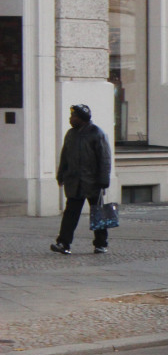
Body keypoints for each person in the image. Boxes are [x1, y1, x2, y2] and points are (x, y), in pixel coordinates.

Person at [51, 104, 112, 254]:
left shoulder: (97, 133)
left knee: (98, 213)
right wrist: (61, 174)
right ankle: (63, 243)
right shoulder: (71, 134)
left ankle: (101, 243)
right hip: (74, 182)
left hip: (93, 182)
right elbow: (64, 156)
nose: (71, 119)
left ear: (82, 118)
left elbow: (105, 158)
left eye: (74, 116)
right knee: (70, 214)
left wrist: (104, 180)